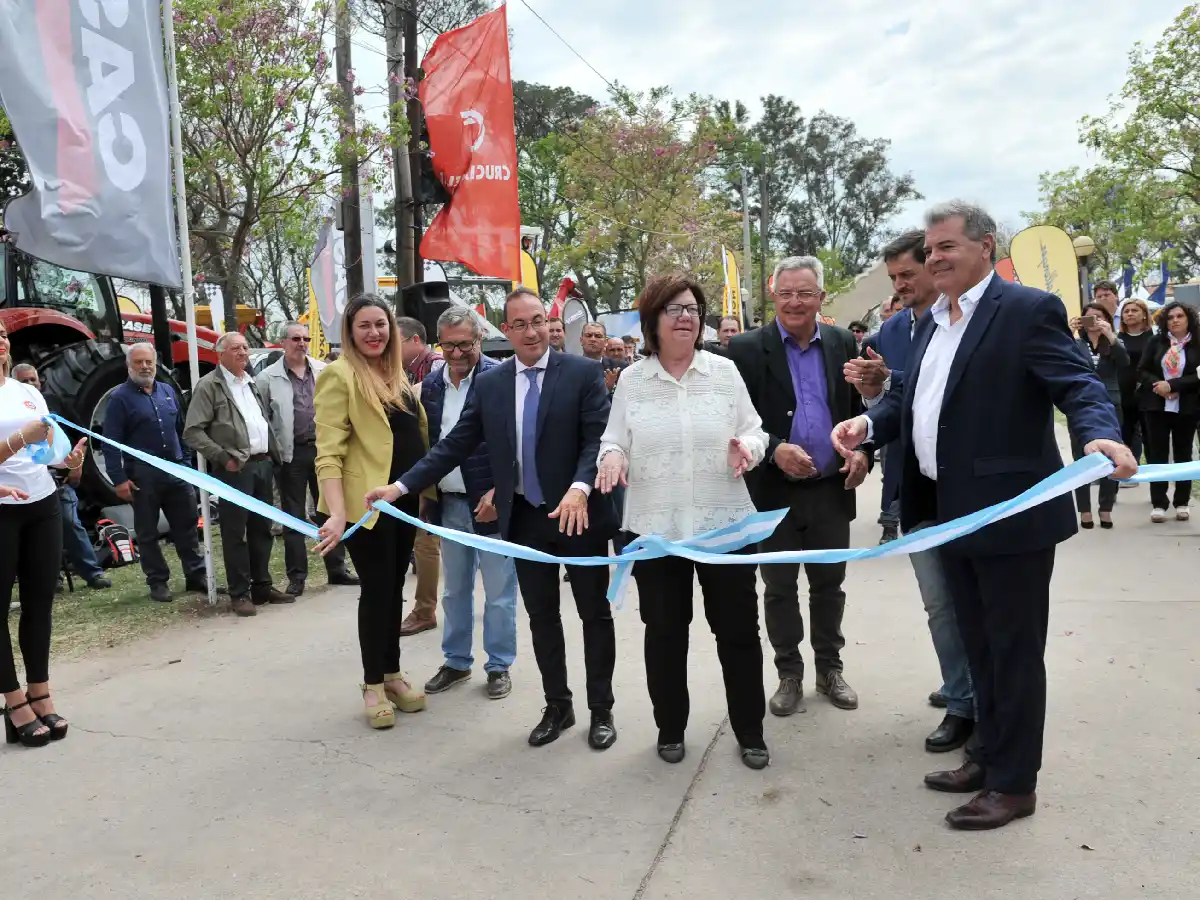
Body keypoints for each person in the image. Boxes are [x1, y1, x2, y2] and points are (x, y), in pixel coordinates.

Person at [832, 200, 1133, 830]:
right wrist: (868, 422)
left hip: (1010, 517)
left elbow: (1079, 385)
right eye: (931, 248)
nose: (934, 257)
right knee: (979, 648)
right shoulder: (929, 321)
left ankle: (1014, 785)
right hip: (949, 514)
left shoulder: (1025, 311)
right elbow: (916, 401)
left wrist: (1098, 437)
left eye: (947, 247)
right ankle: (986, 755)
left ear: (986, 248)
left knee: (1013, 653)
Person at [370, 287, 619, 751]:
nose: (530, 331)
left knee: (593, 615)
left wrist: (580, 489)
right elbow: (453, 444)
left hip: (579, 516)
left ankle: (601, 710)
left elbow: (596, 441)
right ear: (505, 331)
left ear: (550, 323)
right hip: (525, 521)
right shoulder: (492, 384)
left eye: (537, 320)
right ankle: (558, 706)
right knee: (543, 618)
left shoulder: (583, 373)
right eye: (519, 324)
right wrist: (400, 486)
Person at [597, 275, 770, 770]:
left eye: (693, 308)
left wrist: (749, 449)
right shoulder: (633, 380)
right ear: (652, 320)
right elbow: (615, 440)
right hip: (656, 531)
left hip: (725, 528)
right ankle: (670, 728)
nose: (686, 317)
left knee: (738, 634)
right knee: (666, 634)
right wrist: (611, 459)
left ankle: (751, 732)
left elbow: (754, 431)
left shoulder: (724, 372)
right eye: (674, 309)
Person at [844, 230, 975, 753]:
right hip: (915, 490)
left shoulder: (974, 322)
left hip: (972, 491)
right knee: (938, 603)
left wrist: (890, 382)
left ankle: (979, 701)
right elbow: (899, 405)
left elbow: (940, 392)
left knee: (976, 602)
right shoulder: (895, 328)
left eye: (908, 276)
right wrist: (867, 430)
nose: (900, 288)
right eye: (893, 279)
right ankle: (962, 696)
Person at [727, 256, 870, 716]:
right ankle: (789, 673)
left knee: (830, 586)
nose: (794, 301)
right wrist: (774, 448)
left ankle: (831, 669)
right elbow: (734, 419)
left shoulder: (842, 341)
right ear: (773, 295)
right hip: (774, 494)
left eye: (804, 293)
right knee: (779, 588)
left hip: (830, 490)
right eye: (786, 292)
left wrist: (865, 454)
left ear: (820, 298)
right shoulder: (747, 350)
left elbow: (858, 412)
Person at [313, 295, 434, 729]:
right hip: (365, 510)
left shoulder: (395, 375)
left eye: (380, 324)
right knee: (377, 591)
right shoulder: (338, 375)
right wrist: (337, 514)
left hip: (402, 503)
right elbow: (328, 451)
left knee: (394, 588)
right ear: (349, 331)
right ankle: (372, 684)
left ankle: (393, 673)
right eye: (363, 325)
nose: (374, 333)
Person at [415, 307, 518, 700]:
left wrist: (499, 492)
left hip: (491, 505)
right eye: (448, 345)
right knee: (454, 591)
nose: (456, 354)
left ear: (480, 340)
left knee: (499, 592)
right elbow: (432, 447)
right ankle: (456, 661)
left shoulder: (501, 379)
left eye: (464, 344)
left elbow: (515, 443)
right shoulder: (430, 386)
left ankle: (498, 665)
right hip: (449, 504)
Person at [1, 316, 89, 747]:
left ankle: (40, 690)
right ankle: (13, 701)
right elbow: (22, 441)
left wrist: (67, 461)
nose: (0, 343)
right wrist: (19, 439)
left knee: (40, 603)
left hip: (41, 503)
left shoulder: (27, 391)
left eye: (1, 336)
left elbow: (45, 450)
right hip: (1, 509)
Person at [184, 332, 291, 616]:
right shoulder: (210, 386)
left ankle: (262, 586)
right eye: (235, 348)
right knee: (236, 534)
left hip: (262, 464)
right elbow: (192, 431)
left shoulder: (250, 381)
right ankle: (239, 593)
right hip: (235, 469)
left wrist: (273, 454)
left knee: (262, 530)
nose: (243, 352)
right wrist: (223, 457)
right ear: (220, 354)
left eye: (245, 347)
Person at [257, 322, 358, 596]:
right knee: (293, 516)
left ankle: (337, 569)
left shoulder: (324, 370)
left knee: (330, 511)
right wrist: (274, 451)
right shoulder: (267, 378)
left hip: (325, 450)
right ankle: (297, 577)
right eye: (295, 339)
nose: (301, 343)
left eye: (306, 338)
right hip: (291, 454)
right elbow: (264, 418)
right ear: (283, 343)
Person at [102, 343, 207, 602]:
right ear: (129, 365)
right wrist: (119, 479)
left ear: (155, 363)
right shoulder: (119, 398)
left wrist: (186, 465)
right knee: (148, 533)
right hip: (143, 476)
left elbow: (181, 431)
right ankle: (157, 582)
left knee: (188, 527)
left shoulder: (168, 391)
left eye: (149, 362)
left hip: (175, 470)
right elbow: (110, 442)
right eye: (139, 362)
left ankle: (196, 575)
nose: (145, 367)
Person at [11, 364, 110, 591]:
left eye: (33, 380)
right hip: (23, 484)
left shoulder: (54, 402)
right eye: (23, 381)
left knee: (70, 523)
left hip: (58, 479)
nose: (30, 385)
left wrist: (78, 465)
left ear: (40, 381)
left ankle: (93, 574)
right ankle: (51, 579)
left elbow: (81, 436)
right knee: (34, 535)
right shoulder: (9, 407)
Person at [396, 316, 443, 635]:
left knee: (426, 541)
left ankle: (425, 610)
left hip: (434, 468)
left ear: (414, 341)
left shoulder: (435, 367)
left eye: (394, 340)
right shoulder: (413, 369)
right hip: (424, 468)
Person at [1138, 300, 1200, 523]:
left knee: (1184, 455)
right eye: (1171, 317)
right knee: (1157, 454)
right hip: (1157, 406)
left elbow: (1198, 376)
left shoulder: (1197, 343)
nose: (1174, 320)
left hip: (1187, 407)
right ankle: (1159, 503)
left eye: (1179, 316)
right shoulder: (1156, 342)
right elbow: (1142, 370)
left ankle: (1182, 502)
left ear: (1188, 319)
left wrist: (1173, 386)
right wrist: (1159, 386)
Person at [1068, 303, 1129, 528]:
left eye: (1099, 317)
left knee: (1111, 458)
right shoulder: (1075, 343)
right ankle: (1084, 510)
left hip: (1111, 404)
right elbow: (1063, 361)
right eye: (1088, 317)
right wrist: (1069, 333)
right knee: (1082, 459)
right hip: (1081, 405)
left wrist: (1110, 335)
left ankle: (1105, 508)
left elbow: (1125, 362)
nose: (1093, 321)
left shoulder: (1112, 342)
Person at [1117, 299, 1154, 466]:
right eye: (1126, 311)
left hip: (1148, 393)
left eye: (1134, 310)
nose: (1130, 314)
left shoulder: (1154, 338)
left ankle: (1155, 476)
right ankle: (1128, 470)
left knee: (1150, 437)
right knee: (1125, 436)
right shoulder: (1116, 338)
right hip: (1123, 394)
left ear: (1144, 315)